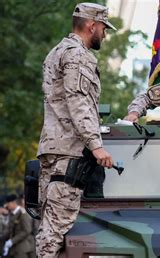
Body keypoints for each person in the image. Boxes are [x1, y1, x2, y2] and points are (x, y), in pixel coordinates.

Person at [35, 3, 115, 257]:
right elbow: (78, 102)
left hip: (54, 149)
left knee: (53, 230)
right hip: (69, 154)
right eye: (103, 28)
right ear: (92, 25)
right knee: (56, 232)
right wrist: (96, 145)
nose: (104, 34)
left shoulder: (56, 52)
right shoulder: (77, 55)